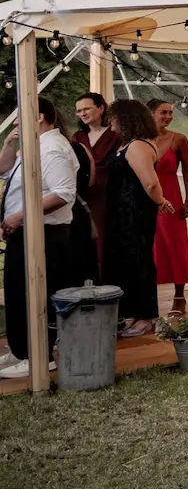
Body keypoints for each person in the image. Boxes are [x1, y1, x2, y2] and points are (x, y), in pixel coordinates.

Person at [0, 100, 82, 380]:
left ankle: (40, 356)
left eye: (19, 119)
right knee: (16, 292)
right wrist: (10, 143)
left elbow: (63, 194)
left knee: (35, 296)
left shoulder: (53, 148)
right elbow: (3, 170)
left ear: (40, 118)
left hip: (45, 233)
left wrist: (18, 216)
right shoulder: (35, 145)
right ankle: (21, 349)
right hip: (24, 231)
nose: (14, 124)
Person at [99, 98, 168, 338]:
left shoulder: (139, 146)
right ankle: (133, 313)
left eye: (114, 119)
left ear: (126, 119)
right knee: (125, 263)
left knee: (138, 262)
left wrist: (161, 201)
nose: (111, 124)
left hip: (134, 214)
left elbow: (150, 182)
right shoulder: (128, 144)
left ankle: (147, 316)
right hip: (121, 214)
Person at [149, 100, 188, 320]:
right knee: (149, 246)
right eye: (163, 113)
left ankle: (179, 296)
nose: (168, 117)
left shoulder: (179, 139)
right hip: (145, 198)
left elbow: (187, 171)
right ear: (151, 114)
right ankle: (148, 297)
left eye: (170, 113)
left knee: (175, 245)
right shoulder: (140, 140)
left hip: (171, 197)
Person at [73, 91, 117, 268]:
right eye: (79, 111)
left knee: (107, 236)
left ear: (101, 108)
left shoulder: (115, 134)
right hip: (85, 192)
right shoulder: (78, 137)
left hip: (110, 192)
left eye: (86, 109)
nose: (82, 113)